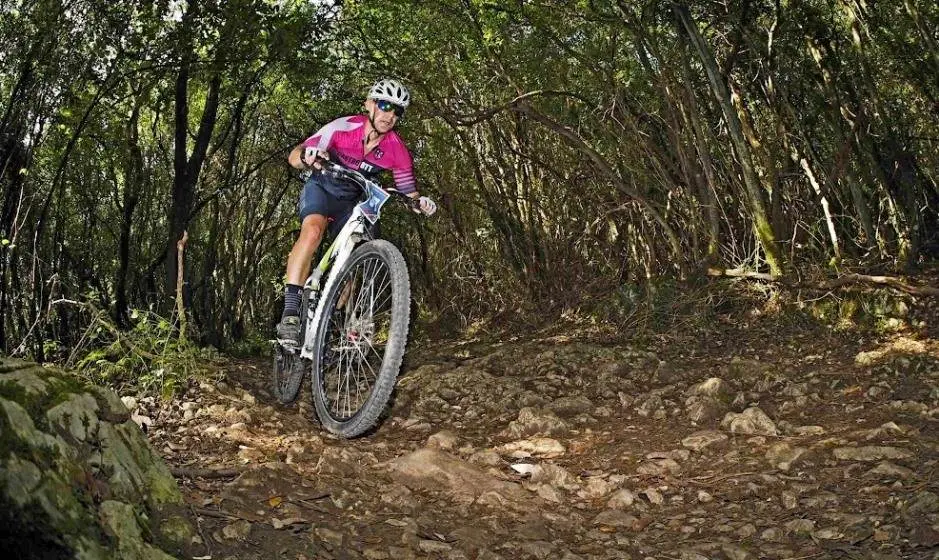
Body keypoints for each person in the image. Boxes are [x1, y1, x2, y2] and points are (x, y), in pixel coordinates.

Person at [276, 79, 436, 343]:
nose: (389, 115)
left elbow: (409, 191)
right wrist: (306, 156)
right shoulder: (342, 128)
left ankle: (328, 322)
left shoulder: (397, 149)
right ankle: (291, 312)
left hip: (352, 204)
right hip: (323, 190)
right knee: (313, 231)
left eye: (397, 111)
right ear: (369, 105)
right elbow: (296, 155)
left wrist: (419, 203)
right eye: (384, 105)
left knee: (350, 260)